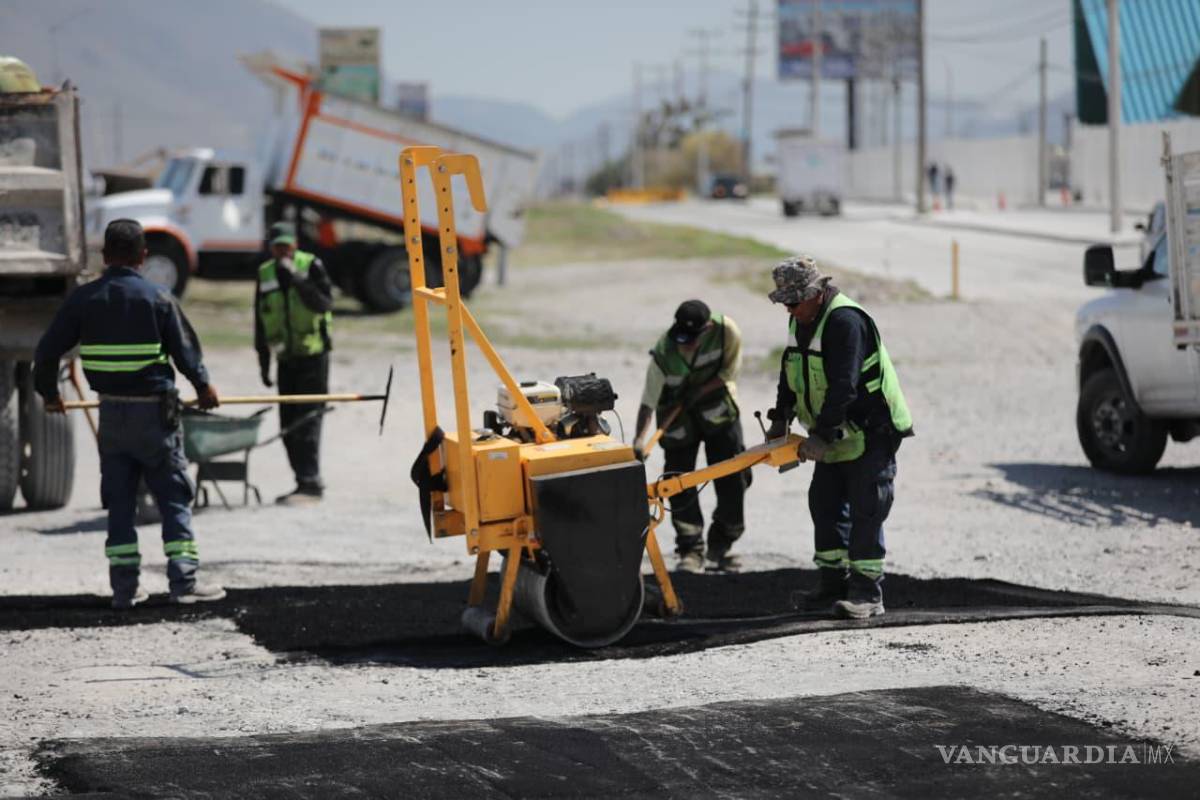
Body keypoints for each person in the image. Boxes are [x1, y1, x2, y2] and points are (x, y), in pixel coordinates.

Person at [33, 219, 225, 609]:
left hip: (112, 417)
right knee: (172, 497)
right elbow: (185, 351)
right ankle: (183, 583)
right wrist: (204, 388)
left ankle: (124, 589)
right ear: (143, 256)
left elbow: (46, 353)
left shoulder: (84, 299)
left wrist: (50, 394)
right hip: (154, 417)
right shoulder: (158, 297)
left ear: (104, 257)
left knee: (120, 502)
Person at [764, 255, 913, 619]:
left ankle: (866, 593)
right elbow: (791, 368)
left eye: (794, 301)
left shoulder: (845, 322)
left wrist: (822, 434)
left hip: (871, 429)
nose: (789, 308)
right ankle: (832, 585)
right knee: (825, 505)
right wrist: (781, 416)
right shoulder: (801, 320)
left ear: (816, 293)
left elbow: (844, 386)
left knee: (867, 507)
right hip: (833, 432)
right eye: (784, 302)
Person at [633, 300, 747, 573]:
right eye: (682, 340)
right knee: (678, 482)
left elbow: (729, 371)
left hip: (718, 411)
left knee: (735, 476)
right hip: (677, 417)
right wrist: (639, 440)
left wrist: (701, 391)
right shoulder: (664, 352)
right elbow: (648, 401)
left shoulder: (726, 331)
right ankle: (691, 549)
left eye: (692, 340)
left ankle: (721, 543)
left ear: (706, 329)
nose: (686, 345)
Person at [254, 221, 334, 505]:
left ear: (295, 244)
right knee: (288, 424)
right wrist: (264, 365)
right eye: (277, 247)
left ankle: (311, 483)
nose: (282, 252)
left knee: (308, 421)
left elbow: (324, 303)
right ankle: (301, 481)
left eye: (287, 246)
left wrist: (298, 278)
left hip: (314, 358)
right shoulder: (264, 274)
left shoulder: (311, 266)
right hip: (286, 359)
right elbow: (260, 323)